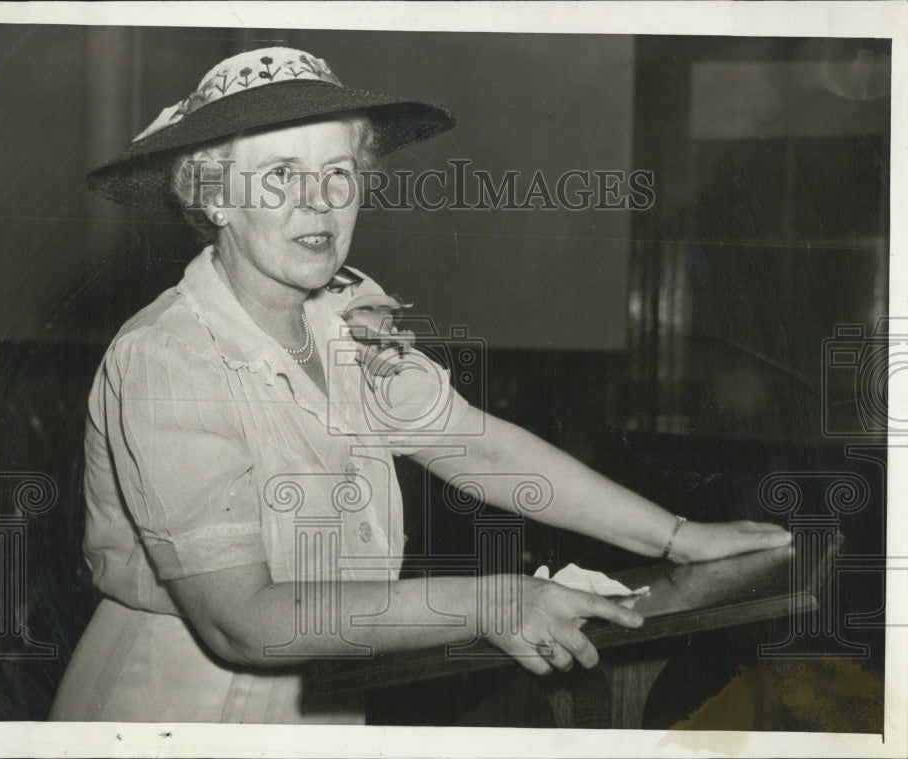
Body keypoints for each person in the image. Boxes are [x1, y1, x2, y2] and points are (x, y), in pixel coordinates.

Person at [49, 46, 792, 724]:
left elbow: (480, 448)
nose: (319, 201)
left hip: (330, 697)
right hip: (176, 711)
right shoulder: (168, 356)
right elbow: (240, 619)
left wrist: (679, 536)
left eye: (338, 173)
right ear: (216, 198)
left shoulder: (345, 316)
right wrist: (493, 600)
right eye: (280, 175)